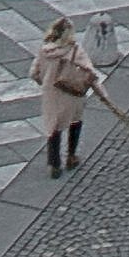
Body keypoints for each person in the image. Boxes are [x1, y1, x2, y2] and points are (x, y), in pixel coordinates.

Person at [33, 16, 98, 177]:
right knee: (75, 121)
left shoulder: (44, 51)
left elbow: (34, 73)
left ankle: (54, 165)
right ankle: (71, 156)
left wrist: (45, 82)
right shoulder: (75, 50)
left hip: (51, 95)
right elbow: (90, 72)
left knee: (53, 128)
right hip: (72, 94)